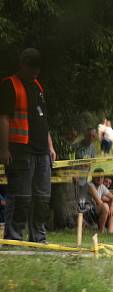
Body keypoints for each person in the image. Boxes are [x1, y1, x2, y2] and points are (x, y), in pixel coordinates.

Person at [0, 48, 57, 243]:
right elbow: (4, 119)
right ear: (22, 64)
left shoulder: (38, 86)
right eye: (32, 66)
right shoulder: (10, 85)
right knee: (20, 197)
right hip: (20, 150)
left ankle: (38, 238)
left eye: (37, 67)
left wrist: (50, 146)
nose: (36, 71)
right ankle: (14, 237)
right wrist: (4, 149)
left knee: (42, 198)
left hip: (42, 152)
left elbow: (44, 120)